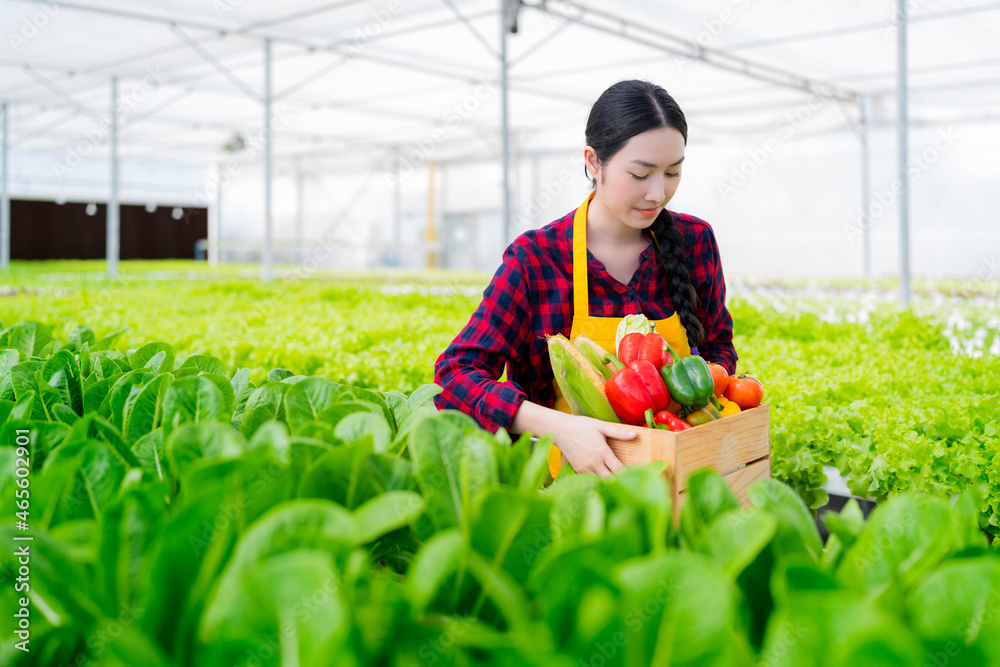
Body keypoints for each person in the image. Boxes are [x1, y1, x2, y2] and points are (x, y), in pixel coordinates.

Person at [433, 79, 737, 478]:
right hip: (568, 488)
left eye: (672, 172)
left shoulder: (695, 242)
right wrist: (559, 427)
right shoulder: (536, 259)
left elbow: (718, 347)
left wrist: (705, 408)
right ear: (594, 162)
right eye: (640, 174)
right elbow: (456, 376)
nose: (658, 194)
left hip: (683, 476)